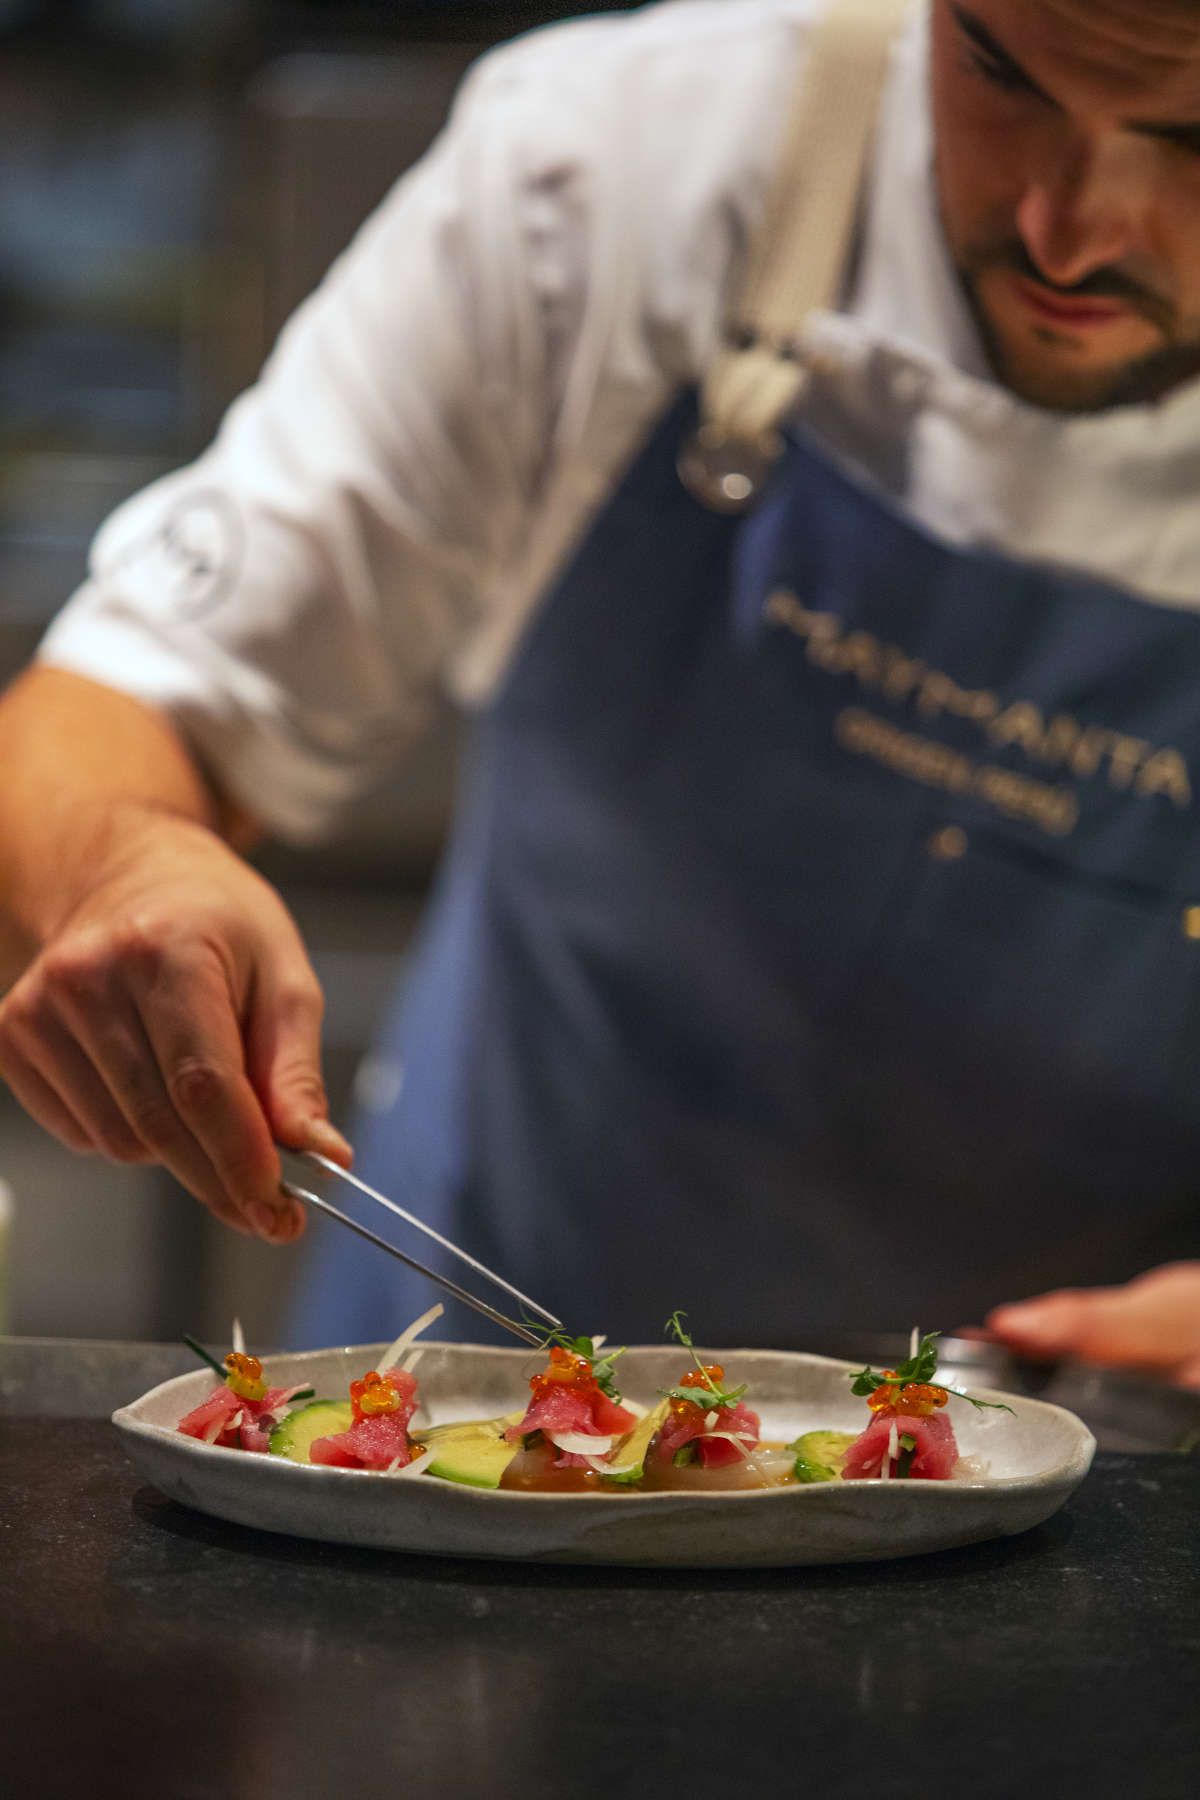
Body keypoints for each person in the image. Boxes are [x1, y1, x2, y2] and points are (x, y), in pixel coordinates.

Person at [1, 0, 1199, 1380]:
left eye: (1190, 140)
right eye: (1002, 74)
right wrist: (125, 864)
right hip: (464, 1443)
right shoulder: (624, 170)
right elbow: (111, 707)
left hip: (1077, 1516)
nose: (1072, 227)